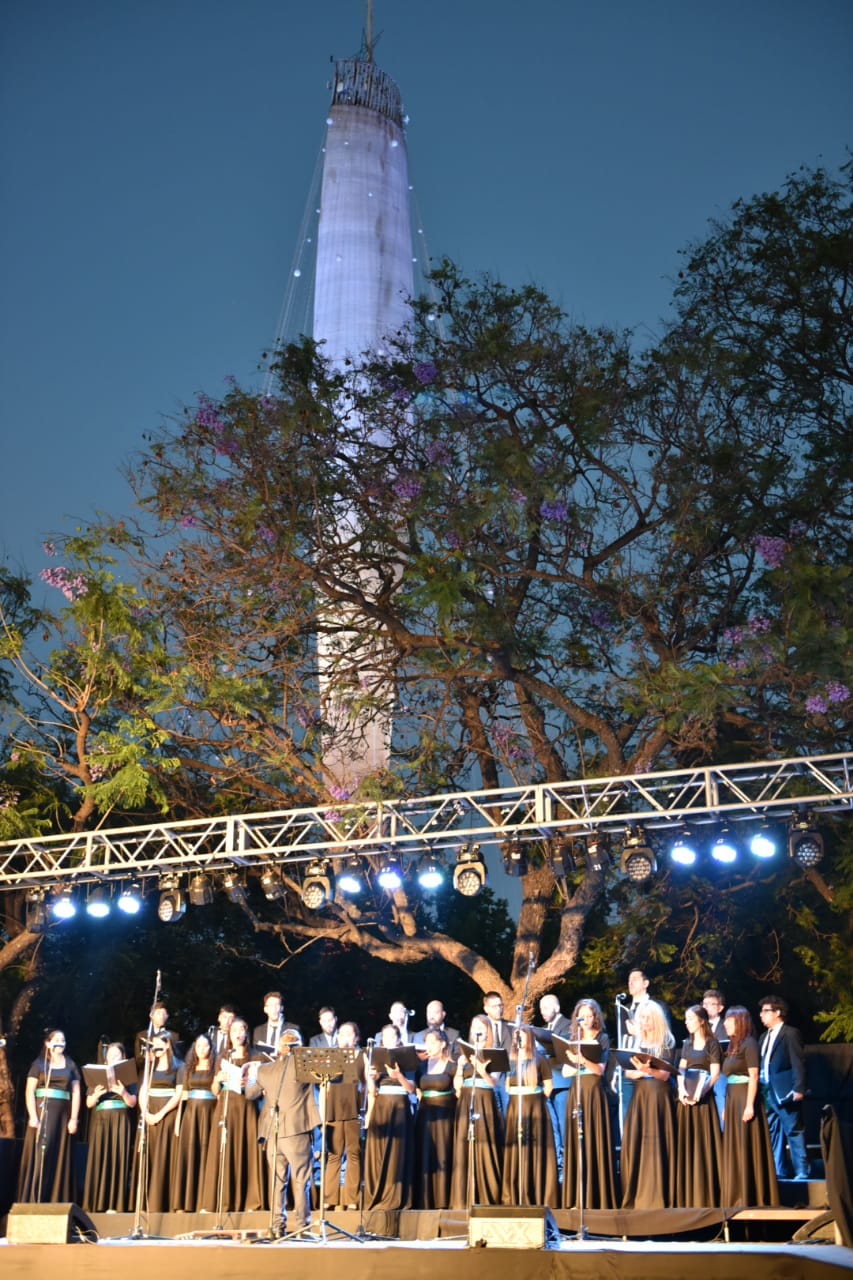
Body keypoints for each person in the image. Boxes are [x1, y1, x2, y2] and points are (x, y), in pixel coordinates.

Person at [246, 1028, 320, 1238]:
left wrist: (253, 1074)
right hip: (296, 1132)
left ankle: (276, 1227)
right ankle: (302, 1226)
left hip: (273, 1134)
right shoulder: (303, 1066)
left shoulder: (264, 1070)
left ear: (280, 1048)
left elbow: (250, 1093)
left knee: (278, 1182)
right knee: (301, 1180)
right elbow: (334, 1077)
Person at [201, 1016, 265, 1213]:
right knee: (224, 1150)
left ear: (246, 1033)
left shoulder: (255, 1057)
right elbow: (215, 1091)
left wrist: (250, 1083)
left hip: (247, 1106)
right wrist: (218, 1080)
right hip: (226, 1106)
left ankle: (250, 1202)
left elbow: (261, 1087)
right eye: (234, 1030)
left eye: (241, 1029)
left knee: (246, 1149)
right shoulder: (222, 1057)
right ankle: (222, 1201)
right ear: (229, 1034)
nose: (238, 1033)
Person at [620, 1001, 677, 1210]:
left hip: (659, 1097)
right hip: (641, 1096)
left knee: (658, 1143)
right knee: (638, 1142)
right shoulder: (637, 1042)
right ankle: (637, 1196)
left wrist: (647, 1070)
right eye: (641, 1019)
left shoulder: (667, 1042)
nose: (644, 1022)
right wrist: (644, 1071)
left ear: (656, 1019)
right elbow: (628, 1072)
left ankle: (659, 1196)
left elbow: (664, 1075)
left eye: (647, 1018)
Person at [561, 998, 617, 1210]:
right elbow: (566, 1072)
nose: (585, 1019)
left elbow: (599, 1070)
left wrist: (581, 1061)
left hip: (594, 1093)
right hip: (577, 1092)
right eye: (581, 1015)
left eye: (589, 1015)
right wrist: (576, 1062)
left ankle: (597, 1197)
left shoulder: (602, 1038)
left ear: (595, 1017)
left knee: (594, 1139)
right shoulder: (572, 1038)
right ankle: (577, 1197)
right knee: (577, 1141)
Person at [720, 1005, 779, 1208]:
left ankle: (751, 1195)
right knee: (734, 1146)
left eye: (729, 1020)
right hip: (733, 1098)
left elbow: (753, 1076)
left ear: (740, 1022)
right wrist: (727, 1106)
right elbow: (729, 1078)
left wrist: (749, 1106)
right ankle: (736, 1192)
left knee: (747, 1145)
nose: (725, 1023)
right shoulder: (732, 1045)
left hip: (745, 1098)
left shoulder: (749, 1044)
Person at [17, 1029, 81, 1202]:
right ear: (48, 1043)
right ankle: (33, 1198)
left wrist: (73, 1118)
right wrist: (33, 1116)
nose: (61, 1042)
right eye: (57, 1039)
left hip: (62, 1117)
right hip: (42, 1114)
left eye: (63, 1039)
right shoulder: (39, 1064)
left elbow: (76, 1091)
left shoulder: (70, 1064)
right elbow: (29, 1090)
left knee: (59, 1155)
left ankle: (55, 1199)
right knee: (41, 1154)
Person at [450, 1014, 505, 1208]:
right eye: (474, 1027)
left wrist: (481, 1070)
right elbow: (457, 1088)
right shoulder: (465, 1054)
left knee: (484, 1144)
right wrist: (459, 1067)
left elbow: (494, 1082)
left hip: (485, 1098)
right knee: (464, 1145)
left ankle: (487, 1196)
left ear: (488, 1030)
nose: (477, 1030)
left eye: (481, 1027)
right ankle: (463, 1198)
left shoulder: (495, 1052)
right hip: (466, 1098)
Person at [501, 1026, 558, 1207]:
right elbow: (506, 1086)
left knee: (535, 1148)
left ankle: (537, 1192)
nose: (520, 1040)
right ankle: (514, 1194)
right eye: (517, 1037)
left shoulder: (539, 1060)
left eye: (523, 1037)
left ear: (530, 1039)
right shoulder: (510, 1061)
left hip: (534, 1108)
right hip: (515, 1109)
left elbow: (548, 1087)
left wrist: (534, 1098)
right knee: (516, 1149)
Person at [364, 1023, 416, 1210]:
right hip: (382, 1105)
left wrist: (398, 1075)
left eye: (391, 1037)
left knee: (397, 1152)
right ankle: (379, 1194)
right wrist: (370, 1076)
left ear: (398, 1038)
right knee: (380, 1150)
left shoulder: (406, 1056)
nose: (387, 1040)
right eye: (384, 1037)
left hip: (400, 1106)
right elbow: (372, 1091)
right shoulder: (377, 1056)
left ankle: (396, 1196)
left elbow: (411, 1088)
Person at [674, 1005, 722, 1207]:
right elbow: (681, 1070)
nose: (687, 1022)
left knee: (704, 1143)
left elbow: (715, 1073)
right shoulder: (687, 1044)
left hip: (703, 1100)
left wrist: (701, 1092)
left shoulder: (712, 1044)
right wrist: (682, 1091)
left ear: (701, 1020)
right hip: (687, 1100)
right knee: (687, 1144)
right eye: (686, 1019)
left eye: (691, 1019)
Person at [758, 995, 809, 1180]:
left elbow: (798, 1062)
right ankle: (779, 1171)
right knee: (773, 1131)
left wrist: (799, 1088)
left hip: (785, 1090)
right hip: (767, 1091)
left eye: (765, 1011)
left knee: (793, 1130)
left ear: (777, 1012)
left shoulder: (790, 1033)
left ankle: (802, 1171)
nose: (761, 1015)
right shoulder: (764, 1037)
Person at [82, 1040, 137, 1213]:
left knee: (117, 1159)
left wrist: (123, 1092)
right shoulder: (97, 1076)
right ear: (105, 1059)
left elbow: (132, 1103)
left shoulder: (128, 1076)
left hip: (120, 1119)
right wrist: (96, 1094)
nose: (113, 1058)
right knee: (99, 1158)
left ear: (123, 1058)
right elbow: (89, 1103)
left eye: (117, 1055)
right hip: (101, 1121)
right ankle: (95, 1203)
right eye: (110, 1055)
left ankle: (114, 1203)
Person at [171, 1032, 217, 1212]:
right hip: (191, 1115)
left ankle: (203, 1203)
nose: (202, 1049)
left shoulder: (215, 1068)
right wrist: (178, 1122)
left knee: (206, 1155)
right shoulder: (187, 1069)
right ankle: (185, 1203)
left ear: (211, 1048)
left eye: (205, 1046)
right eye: (198, 1046)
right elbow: (183, 1097)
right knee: (190, 1156)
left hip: (210, 1114)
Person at [321, 1021, 364, 1210]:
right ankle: (331, 1199)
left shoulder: (362, 1056)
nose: (345, 1037)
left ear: (356, 1038)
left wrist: (366, 1113)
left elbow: (367, 1088)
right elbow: (325, 1089)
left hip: (354, 1111)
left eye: (349, 1034)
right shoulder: (331, 1058)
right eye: (342, 1033)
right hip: (334, 1111)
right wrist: (323, 1115)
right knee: (334, 1155)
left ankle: (351, 1199)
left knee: (353, 1154)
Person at [137, 1033, 181, 1212]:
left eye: (158, 1045)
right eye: (152, 1046)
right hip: (150, 1113)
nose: (155, 1049)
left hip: (167, 1114)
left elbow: (178, 1094)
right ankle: (146, 1202)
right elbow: (142, 1091)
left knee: (165, 1156)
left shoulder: (178, 1066)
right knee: (150, 1155)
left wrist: (160, 1114)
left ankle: (164, 1202)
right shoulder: (150, 1066)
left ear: (167, 1045)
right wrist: (145, 1112)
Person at [413, 1028, 456, 1208]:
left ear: (442, 1044)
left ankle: (443, 1200)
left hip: (445, 1114)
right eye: (427, 1042)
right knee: (425, 1152)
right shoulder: (421, 1066)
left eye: (432, 1042)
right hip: (425, 1113)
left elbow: (458, 1091)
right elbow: (417, 1087)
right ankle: (425, 1200)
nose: (428, 1046)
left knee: (443, 1152)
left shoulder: (451, 1065)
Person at [537, 993, 572, 1173]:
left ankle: (567, 1170)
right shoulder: (543, 1029)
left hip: (562, 1083)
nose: (542, 1012)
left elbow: (565, 1048)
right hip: (548, 1083)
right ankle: (557, 1168)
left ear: (556, 1008)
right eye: (541, 1008)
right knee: (554, 1130)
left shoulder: (569, 1025)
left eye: (546, 1008)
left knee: (564, 1127)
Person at [702, 989, 729, 1127]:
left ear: (720, 1008)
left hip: (721, 1074)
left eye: (710, 1004)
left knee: (721, 1111)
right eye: (704, 1003)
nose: (705, 1007)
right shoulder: (699, 1026)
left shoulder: (726, 1026)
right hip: (702, 1074)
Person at [134, 1001, 181, 1068]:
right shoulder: (142, 1035)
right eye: (158, 1013)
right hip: (147, 1073)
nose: (162, 1016)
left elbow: (178, 1059)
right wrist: (147, 1058)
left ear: (167, 1016)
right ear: (151, 1015)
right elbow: (138, 1061)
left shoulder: (173, 1036)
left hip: (167, 1074)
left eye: (164, 1014)